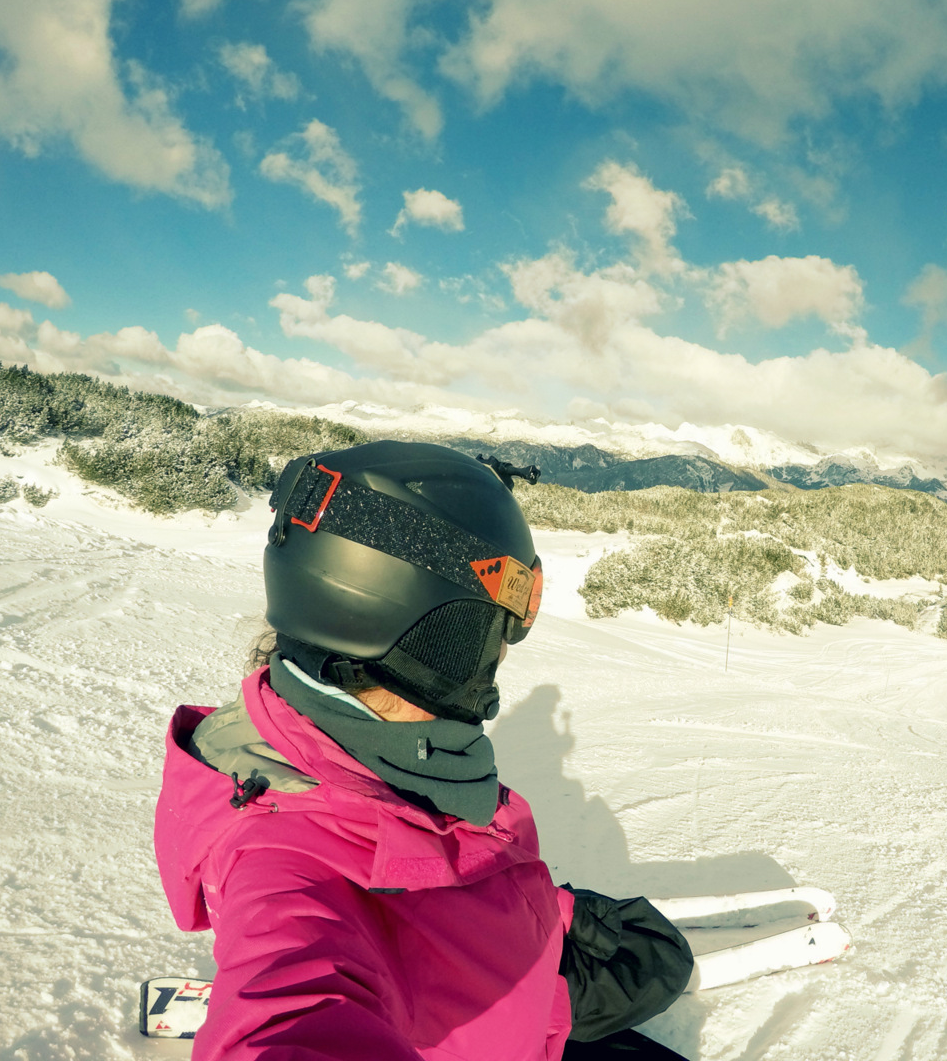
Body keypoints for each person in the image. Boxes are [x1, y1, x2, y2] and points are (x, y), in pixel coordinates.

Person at [154, 442, 693, 1061]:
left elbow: (420, 858)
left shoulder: (369, 756)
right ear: (440, 628)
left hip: (504, 1007)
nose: (507, 642)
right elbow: (288, 1010)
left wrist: (549, 914)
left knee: (658, 972)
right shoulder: (283, 867)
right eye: (510, 597)